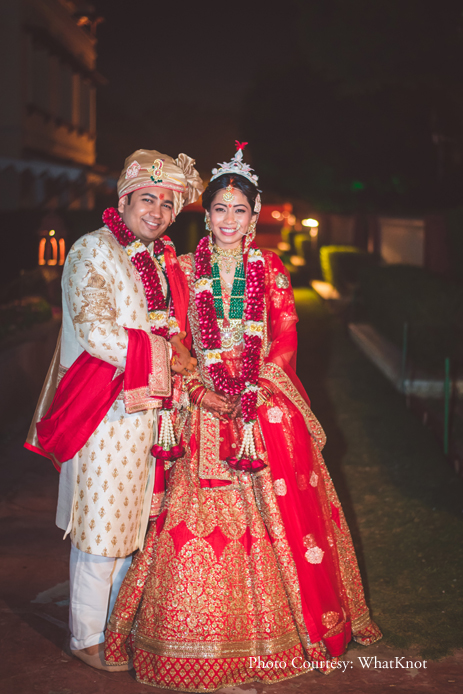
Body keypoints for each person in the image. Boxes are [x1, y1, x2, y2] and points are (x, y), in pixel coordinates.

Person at [105, 143, 382, 689]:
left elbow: (284, 339)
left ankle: (281, 634)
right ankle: (187, 642)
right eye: (219, 209)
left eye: (239, 210)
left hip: (258, 404)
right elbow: (172, 336)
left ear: (254, 217)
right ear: (205, 215)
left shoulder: (271, 270)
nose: (229, 220)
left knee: (273, 508)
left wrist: (255, 389)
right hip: (201, 407)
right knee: (187, 527)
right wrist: (199, 389)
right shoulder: (181, 270)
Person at [25, 149, 203, 671]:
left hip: (152, 413)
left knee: (137, 533)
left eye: (168, 204)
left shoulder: (158, 259)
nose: (158, 211)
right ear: (124, 201)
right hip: (105, 414)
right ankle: (85, 637)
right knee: (103, 533)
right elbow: (98, 331)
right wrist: (170, 354)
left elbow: (174, 323)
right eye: (148, 199)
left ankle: (119, 628)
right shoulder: (90, 251)